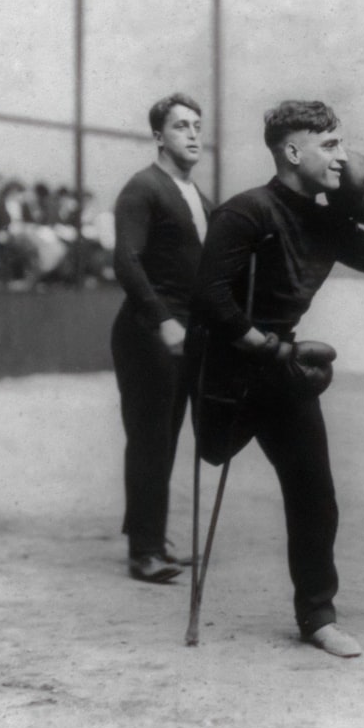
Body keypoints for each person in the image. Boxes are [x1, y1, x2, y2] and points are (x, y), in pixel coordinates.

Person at [188, 99, 364, 658]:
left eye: (340, 144)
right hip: (232, 366)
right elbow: (209, 298)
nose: (341, 157)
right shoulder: (245, 213)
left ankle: (317, 618)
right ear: (292, 150)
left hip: (282, 371)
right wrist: (270, 347)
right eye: (329, 145)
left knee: (315, 496)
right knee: (213, 452)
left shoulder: (327, 220)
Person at [111, 92, 212, 583]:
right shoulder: (142, 188)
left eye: (197, 125)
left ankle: (153, 538)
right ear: (158, 137)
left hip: (186, 332)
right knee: (151, 439)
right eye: (180, 126)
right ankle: (144, 551)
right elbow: (126, 261)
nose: (193, 134)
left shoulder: (197, 194)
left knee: (168, 437)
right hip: (148, 331)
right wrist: (163, 320)